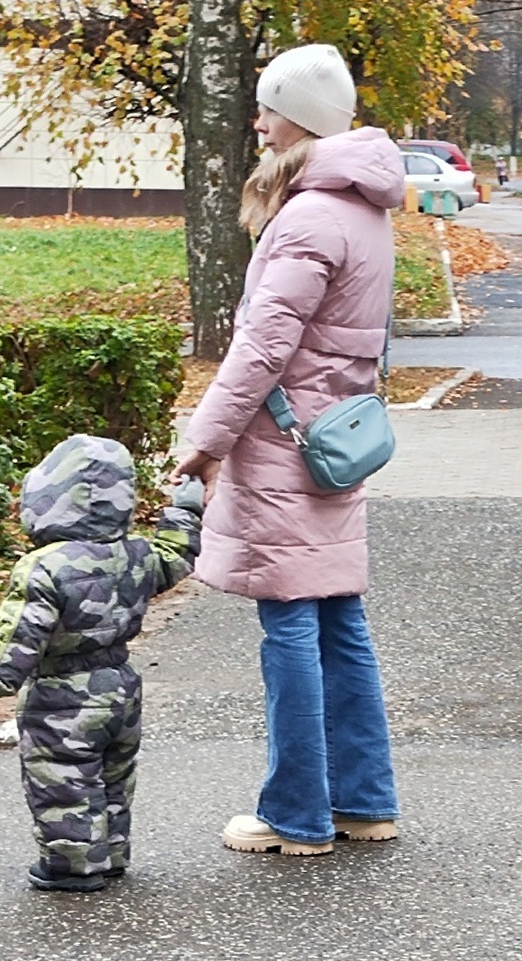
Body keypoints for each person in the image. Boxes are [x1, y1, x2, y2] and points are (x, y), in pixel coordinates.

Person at [175, 43, 403, 856]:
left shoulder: (308, 213)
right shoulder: (362, 207)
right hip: (334, 439)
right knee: (339, 615)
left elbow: (262, 345)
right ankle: (365, 801)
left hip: (283, 443)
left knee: (291, 627)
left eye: (269, 107)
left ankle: (296, 816)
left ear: (300, 118)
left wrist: (205, 440)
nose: (258, 122)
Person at [0, 434, 204, 890]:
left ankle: (73, 866)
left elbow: (21, 633)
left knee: (63, 781)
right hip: (122, 688)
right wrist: (184, 511)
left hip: (62, 694)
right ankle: (110, 853)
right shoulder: (136, 554)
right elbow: (176, 557)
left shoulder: (45, 565)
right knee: (114, 777)